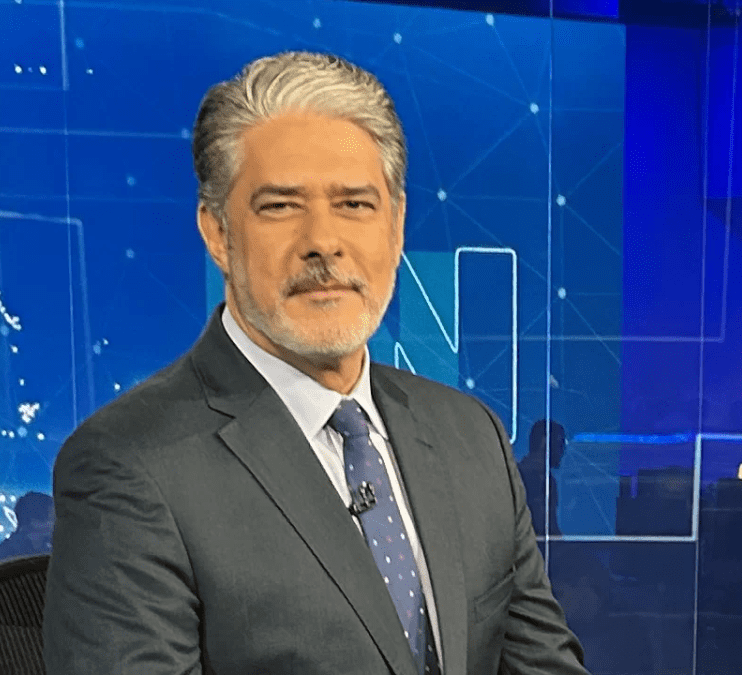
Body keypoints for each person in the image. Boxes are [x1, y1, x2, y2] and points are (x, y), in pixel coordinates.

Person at [43, 51, 587, 675]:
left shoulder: (472, 436)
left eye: (354, 204)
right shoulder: (128, 464)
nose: (323, 242)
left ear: (396, 226)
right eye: (280, 206)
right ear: (218, 233)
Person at [517, 419, 566, 538]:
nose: (563, 451)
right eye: (560, 444)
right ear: (544, 442)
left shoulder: (549, 481)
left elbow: (551, 528)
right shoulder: (518, 479)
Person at [0, 491, 54, 560]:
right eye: (52, 517)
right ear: (34, 522)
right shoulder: (6, 552)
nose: (56, 522)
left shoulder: (49, 547)